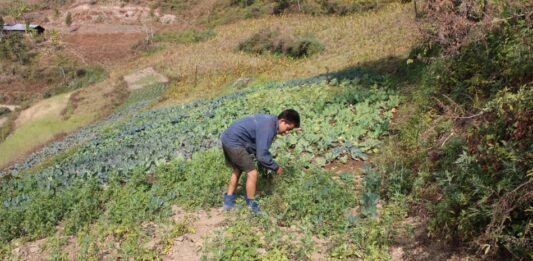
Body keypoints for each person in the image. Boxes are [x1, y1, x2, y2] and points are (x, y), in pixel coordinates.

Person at [221, 109, 300, 213]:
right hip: (234, 142)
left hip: (227, 137)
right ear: (282, 121)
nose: (286, 132)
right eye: (288, 128)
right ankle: (252, 207)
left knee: (238, 169)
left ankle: (228, 202)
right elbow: (262, 156)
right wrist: (276, 167)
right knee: (253, 173)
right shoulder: (268, 128)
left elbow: (257, 147)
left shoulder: (270, 121)